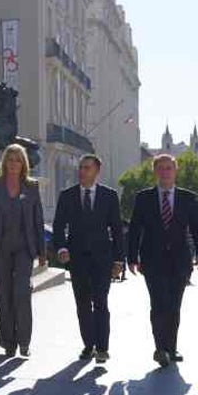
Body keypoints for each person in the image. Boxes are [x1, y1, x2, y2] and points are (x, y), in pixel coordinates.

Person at [127, 154, 198, 367]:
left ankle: (171, 348)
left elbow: (197, 228)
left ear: (175, 171)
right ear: (155, 172)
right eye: (161, 168)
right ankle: (160, 348)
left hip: (179, 261)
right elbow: (135, 228)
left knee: (174, 306)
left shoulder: (188, 198)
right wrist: (131, 257)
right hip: (152, 261)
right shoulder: (144, 198)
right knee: (158, 305)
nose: (165, 172)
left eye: (168, 168)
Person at [52, 154, 125, 364]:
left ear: (96, 171)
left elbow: (117, 230)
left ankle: (102, 348)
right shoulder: (67, 195)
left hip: (103, 258)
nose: (82, 171)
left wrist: (119, 260)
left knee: (101, 302)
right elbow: (58, 226)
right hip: (77, 259)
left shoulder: (109, 196)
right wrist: (62, 248)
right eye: (81, 168)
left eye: (87, 168)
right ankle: (88, 345)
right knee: (83, 303)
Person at [0, 144, 46, 358]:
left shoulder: (31, 186)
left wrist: (42, 251)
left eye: (18, 160)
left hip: (24, 248)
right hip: (0, 247)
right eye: (10, 159)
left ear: (23, 163)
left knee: (22, 293)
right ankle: (8, 340)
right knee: (3, 294)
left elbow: (38, 220)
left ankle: (24, 341)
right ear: (4, 162)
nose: (14, 164)